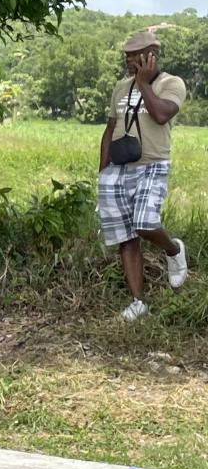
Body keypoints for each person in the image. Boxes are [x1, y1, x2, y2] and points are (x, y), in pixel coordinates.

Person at [97, 30, 189, 321]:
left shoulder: (171, 83)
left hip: (152, 164)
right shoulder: (120, 88)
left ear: (151, 56)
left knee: (145, 222)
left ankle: (173, 250)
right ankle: (138, 302)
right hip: (119, 167)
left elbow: (162, 115)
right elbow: (110, 130)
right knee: (126, 237)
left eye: (135, 55)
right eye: (126, 55)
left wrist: (142, 83)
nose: (129, 60)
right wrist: (103, 173)